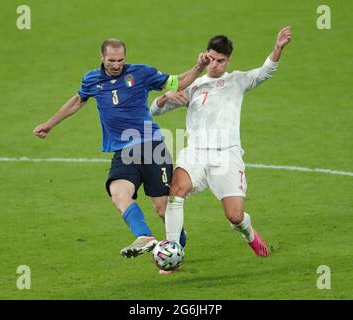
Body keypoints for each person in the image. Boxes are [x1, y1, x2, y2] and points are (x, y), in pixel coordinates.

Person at [33, 38, 209, 258]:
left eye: (120, 60)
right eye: (111, 60)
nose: (116, 65)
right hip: (123, 151)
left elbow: (177, 82)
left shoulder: (141, 73)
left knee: (163, 209)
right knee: (117, 192)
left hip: (151, 146)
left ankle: (177, 247)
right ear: (101, 57)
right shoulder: (92, 79)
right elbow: (78, 101)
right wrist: (49, 124)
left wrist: (199, 66)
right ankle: (145, 236)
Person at [150, 27, 292, 274]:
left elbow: (265, 72)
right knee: (176, 190)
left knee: (235, 216)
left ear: (228, 60)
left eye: (221, 61)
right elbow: (155, 110)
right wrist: (165, 97)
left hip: (226, 155)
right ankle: (173, 253)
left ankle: (249, 235)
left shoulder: (237, 80)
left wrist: (277, 48)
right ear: (205, 55)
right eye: (212, 59)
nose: (215, 65)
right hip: (195, 152)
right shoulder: (194, 85)